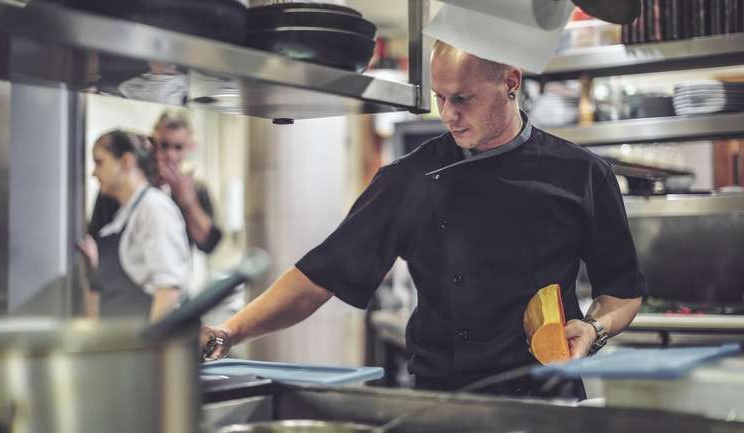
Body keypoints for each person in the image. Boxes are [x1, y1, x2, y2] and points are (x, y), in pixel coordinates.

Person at [201, 41, 645, 398]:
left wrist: (592, 327)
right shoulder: (409, 179)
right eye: (439, 97)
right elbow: (320, 275)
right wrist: (230, 331)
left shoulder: (582, 172)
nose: (447, 113)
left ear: (511, 82)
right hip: (447, 402)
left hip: (551, 396)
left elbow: (622, 293)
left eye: (462, 98)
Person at [78, 130, 191, 322]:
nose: (94, 173)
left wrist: (152, 349)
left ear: (126, 162)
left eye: (99, 162)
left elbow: (169, 290)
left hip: (143, 348)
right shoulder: (125, 215)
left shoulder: (154, 208)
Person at [88, 109, 222, 254]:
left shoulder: (196, 189)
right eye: (164, 145)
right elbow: (97, 237)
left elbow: (209, 244)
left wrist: (189, 203)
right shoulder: (125, 187)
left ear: (189, 147)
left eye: (178, 147)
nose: (170, 155)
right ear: (153, 142)